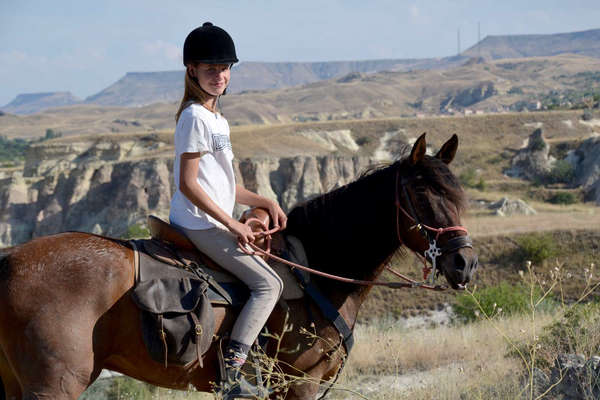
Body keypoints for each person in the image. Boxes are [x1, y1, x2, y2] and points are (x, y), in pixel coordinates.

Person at [169, 22, 286, 399]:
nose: (219, 76)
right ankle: (231, 377)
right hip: (198, 223)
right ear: (192, 71)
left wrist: (263, 201)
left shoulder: (218, 119)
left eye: (225, 68)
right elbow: (188, 184)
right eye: (210, 70)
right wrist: (233, 224)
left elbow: (224, 185)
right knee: (269, 284)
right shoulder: (193, 117)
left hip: (213, 218)